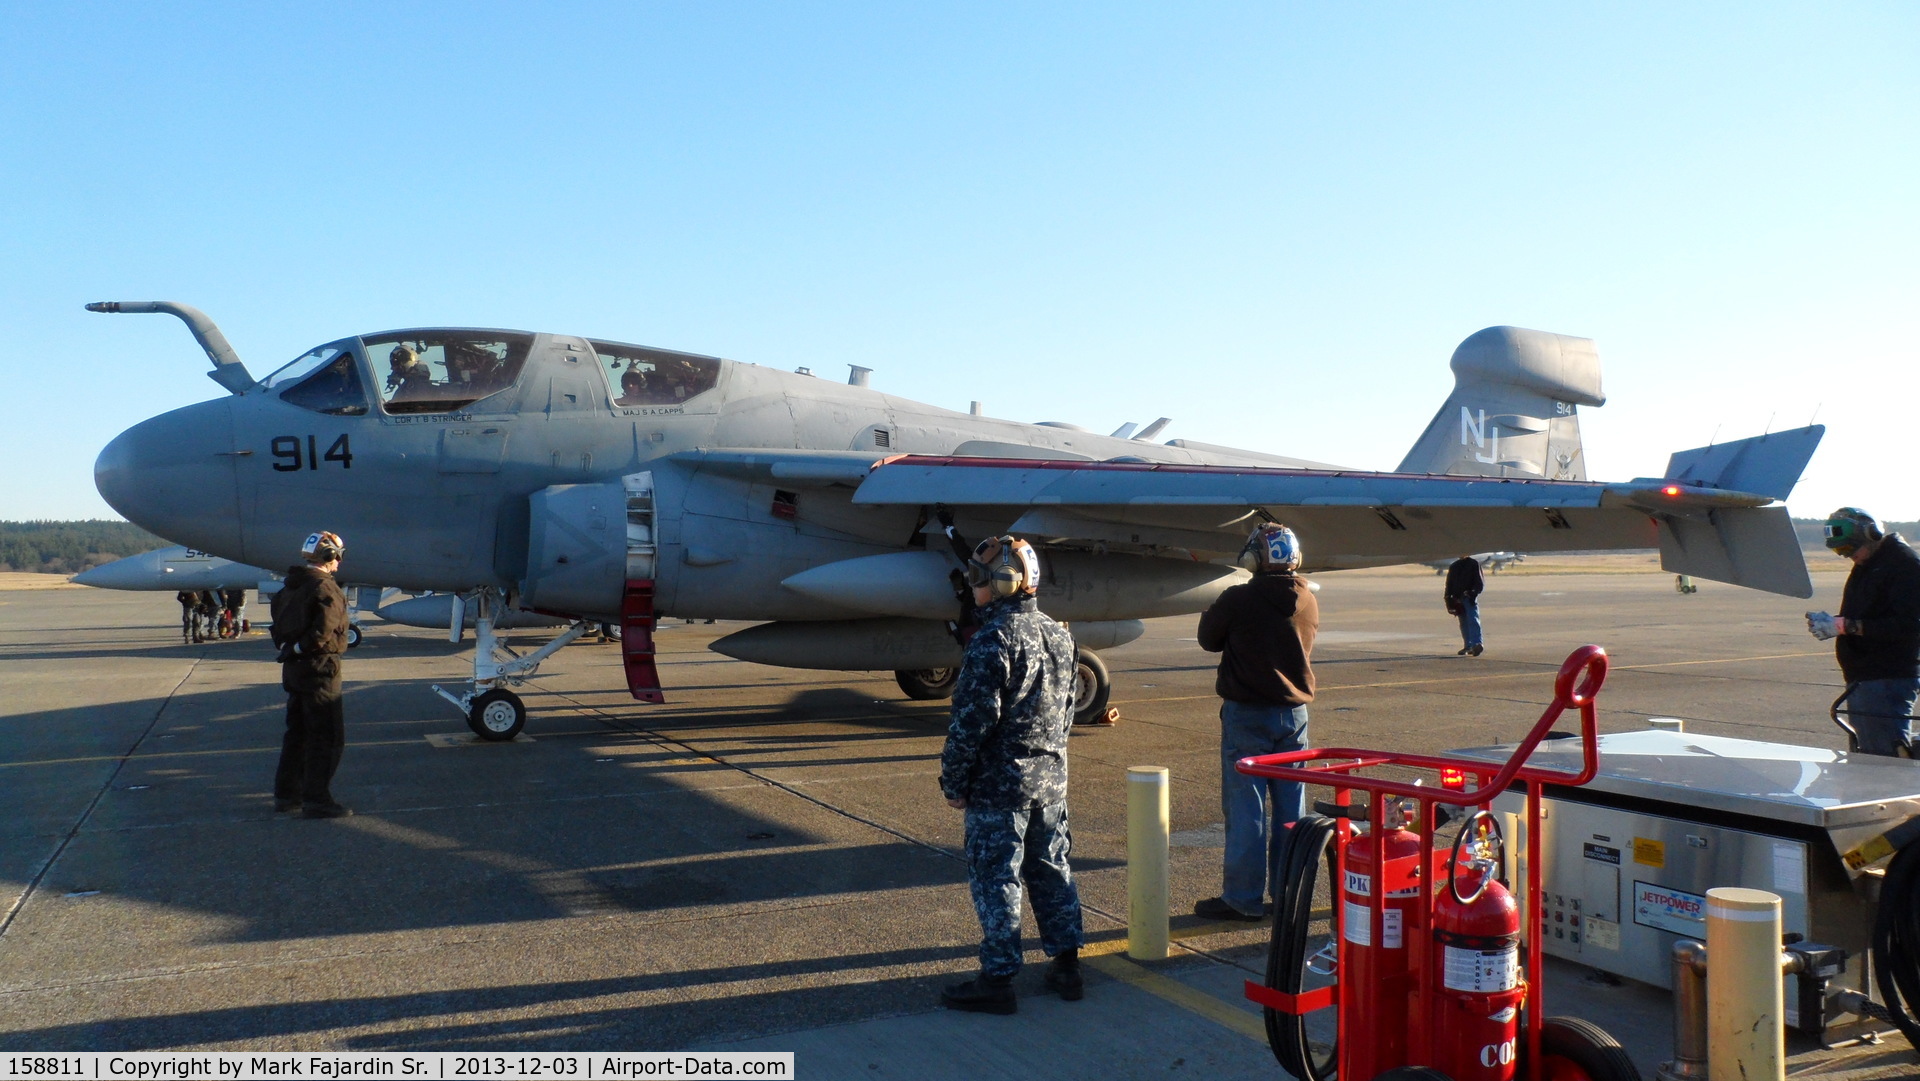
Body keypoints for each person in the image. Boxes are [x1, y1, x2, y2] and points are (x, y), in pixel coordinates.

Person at [938, 535, 1085, 1014]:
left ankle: (998, 979)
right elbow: (1066, 715)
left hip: (999, 787)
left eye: (979, 580)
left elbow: (970, 724)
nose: (973, 589)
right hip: (1050, 781)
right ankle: (1067, 966)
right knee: (1050, 867)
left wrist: (954, 781)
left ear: (1004, 583)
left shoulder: (993, 641)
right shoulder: (1060, 635)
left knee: (997, 876)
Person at [1193, 523, 1317, 922]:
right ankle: (1288, 896)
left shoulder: (1238, 598)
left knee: (1246, 811)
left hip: (1247, 715)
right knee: (1290, 810)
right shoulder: (1308, 600)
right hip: (1293, 717)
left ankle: (1243, 899)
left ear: (1255, 558)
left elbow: (1208, 639)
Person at [1806, 508, 1920, 757]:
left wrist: (1847, 626)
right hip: (1867, 677)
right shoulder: (1870, 564)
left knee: (1884, 761)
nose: (1847, 556)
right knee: (1870, 756)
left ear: (1872, 534)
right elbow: (1870, 612)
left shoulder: (1903, 565)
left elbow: (1910, 625)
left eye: (1850, 548)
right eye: (1840, 551)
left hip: (1886, 678)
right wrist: (1836, 623)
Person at [270, 531, 354, 818]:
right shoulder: (325, 587)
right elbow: (324, 630)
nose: (339, 563)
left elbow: (277, 626)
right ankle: (317, 799)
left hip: (293, 669)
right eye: (338, 556)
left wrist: (290, 648)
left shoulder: (289, 587)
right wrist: (304, 646)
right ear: (330, 556)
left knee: (297, 732)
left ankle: (287, 795)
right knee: (326, 735)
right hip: (320, 668)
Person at [1445, 555, 1485, 656]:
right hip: (1457, 598)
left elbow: (1479, 582)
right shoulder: (1454, 566)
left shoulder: (1473, 564)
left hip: (1468, 597)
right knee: (1464, 622)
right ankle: (1468, 645)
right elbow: (1449, 584)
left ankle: (1477, 644)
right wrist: (1448, 598)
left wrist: (1473, 592)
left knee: (1473, 619)